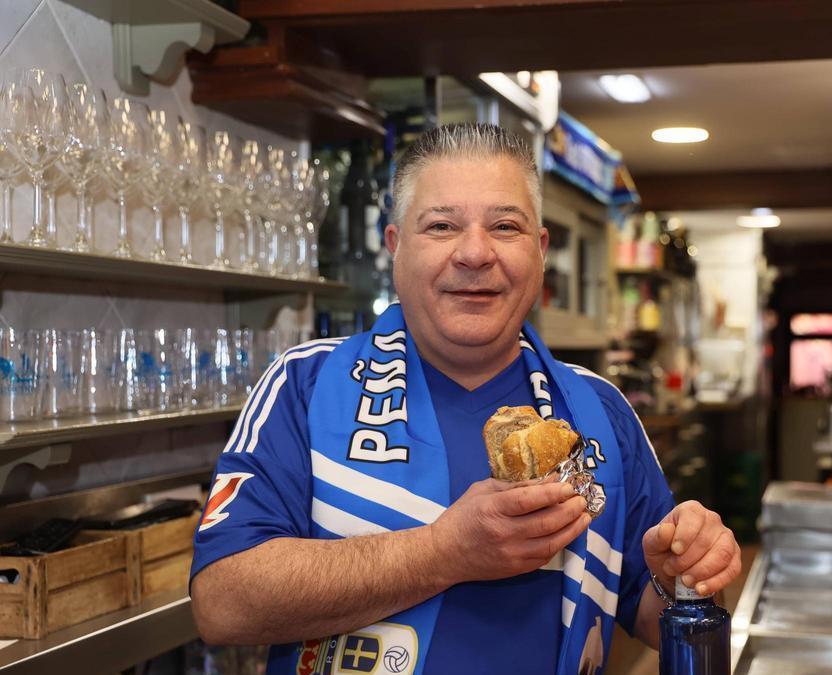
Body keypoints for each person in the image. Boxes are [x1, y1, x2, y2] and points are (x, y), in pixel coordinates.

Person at [190, 123, 741, 675]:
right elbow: (222, 602)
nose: (475, 253)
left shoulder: (600, 410)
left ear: (540, 250)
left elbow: (654, 614)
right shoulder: (306, 385)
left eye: (505, 226)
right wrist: (444, 552)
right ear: (396, 247)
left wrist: (683, 578)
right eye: (442, 225)